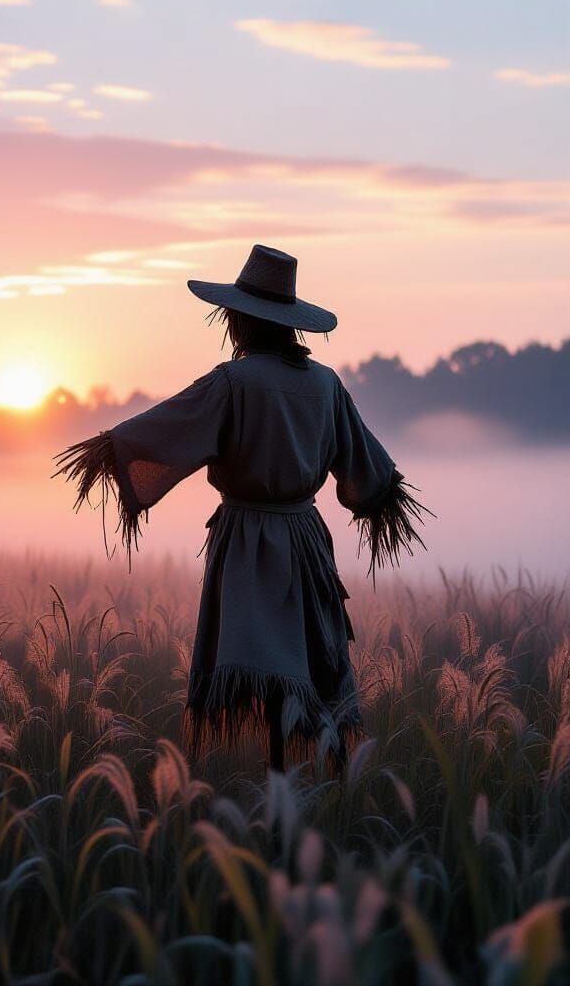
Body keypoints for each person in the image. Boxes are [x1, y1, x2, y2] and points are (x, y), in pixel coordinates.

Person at [55, 244, 431, 770]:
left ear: (239, 320)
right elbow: (369, 470)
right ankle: (318, 789)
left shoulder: (232, 383)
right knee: (311, 661)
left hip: (248, 543)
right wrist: (381, 500)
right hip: (305, 540)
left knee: (262, 662)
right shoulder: (327, 385)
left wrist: (109, 450)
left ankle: (283, 799)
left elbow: (166, 429)